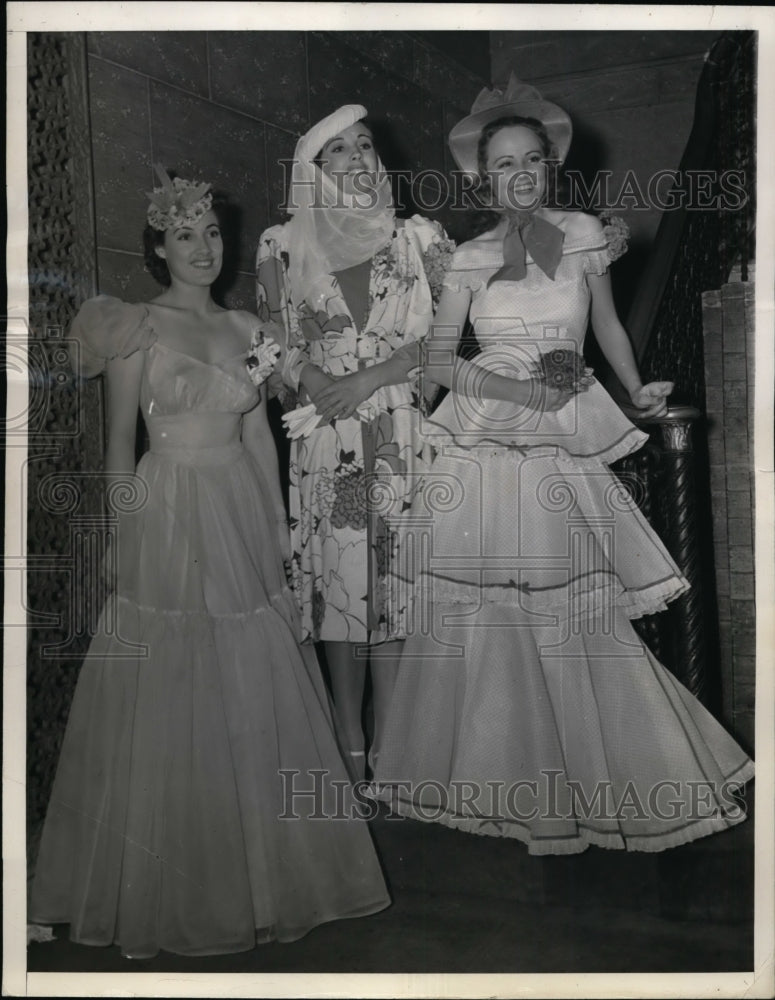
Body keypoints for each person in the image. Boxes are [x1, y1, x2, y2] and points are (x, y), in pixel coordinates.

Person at [370, 76, 754, 853]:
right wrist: (519, 387)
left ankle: (609, 779)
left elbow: (608, 328)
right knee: (481, 617)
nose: (518, 175)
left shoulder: (584, 234)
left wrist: (635, 383)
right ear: (481, 175)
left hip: (559, 434)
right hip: (483, 432)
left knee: (572, 614)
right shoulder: (468, 255)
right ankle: (497, 784)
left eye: (531, 161)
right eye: (502, 163)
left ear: (549, 167)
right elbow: (439, 363)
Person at [28, 167, 390, 959]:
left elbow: (260, 433)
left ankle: (259, 871)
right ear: (158, 247)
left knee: (250, 667)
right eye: (184, 235)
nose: (202, 248)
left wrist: (274, 528)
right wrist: (123, 535)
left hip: (237, 506)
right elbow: (120, 444)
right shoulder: (135, 327)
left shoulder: (248, 330)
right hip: (166, 507)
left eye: (212, 233)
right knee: (168, 678)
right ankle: (160, 882)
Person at [256, 105, 454, 778]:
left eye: (364, 145)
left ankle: (397, 751)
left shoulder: (417, 240)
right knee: (337, 596)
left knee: (397, 591)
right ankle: (349, 746)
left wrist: (375, 374)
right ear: (313, 171)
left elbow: (450, 337)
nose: (356, 157)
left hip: (399, 426)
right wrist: (308, 374)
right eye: (337, 150)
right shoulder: (280, 246)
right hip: (326, 431)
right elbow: (265, 343)